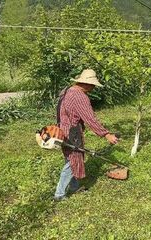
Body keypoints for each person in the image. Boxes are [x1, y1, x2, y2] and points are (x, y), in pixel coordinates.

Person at [54, 69, 118, 201]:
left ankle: (74, 187)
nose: (94, 87)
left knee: (73, 159)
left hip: (62, 129)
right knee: (72, 163)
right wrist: (106, 134)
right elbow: (90, 119)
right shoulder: (80, 97)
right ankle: (59, 194)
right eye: (93, 85)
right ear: (87, 84)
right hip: (71, 133)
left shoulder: (67, 90)